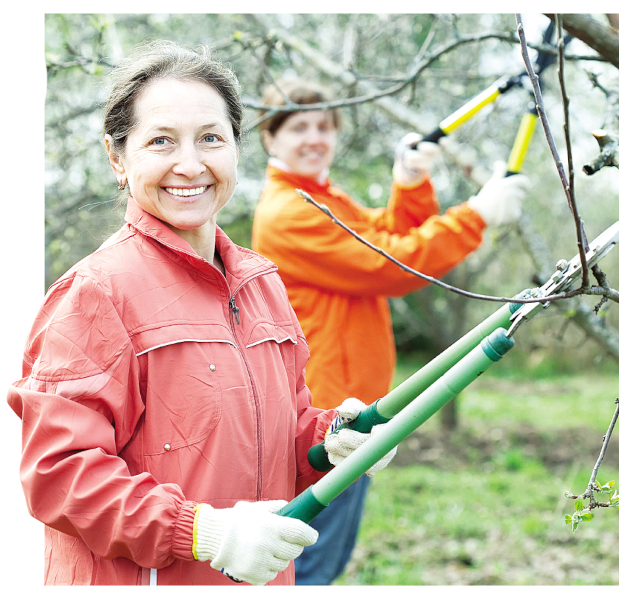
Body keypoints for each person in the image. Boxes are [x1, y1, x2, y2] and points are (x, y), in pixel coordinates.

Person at [7, 40, 393, 586]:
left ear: (237, 149)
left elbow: (280, 437)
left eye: (211, 138)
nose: (190, 164)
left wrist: (332, 440)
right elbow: (59, 475)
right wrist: (203, 532)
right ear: (118, 158)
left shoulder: (261, 284)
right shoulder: (95, 293)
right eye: (161, 141)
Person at [252, 79, 532, 585]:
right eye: (299, 127)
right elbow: (391, 264)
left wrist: (410, 182)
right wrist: (478, 215)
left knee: (319, 560)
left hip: (351, 406)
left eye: (324, 126)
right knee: (308, 566)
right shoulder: (290, 213)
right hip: (326, 413)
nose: (315, 138)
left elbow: (388, 237)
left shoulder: (321, 198)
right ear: (270, 139)